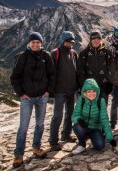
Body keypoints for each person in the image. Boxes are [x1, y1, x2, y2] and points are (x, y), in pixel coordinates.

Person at [10, 32, 56, 167]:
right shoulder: (22, 56)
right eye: (33, 42)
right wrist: (21, 94)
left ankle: (36, 147)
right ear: (29, 43)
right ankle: (18, 154)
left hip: (41, 96)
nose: (35, 45)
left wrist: (48, 91)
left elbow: (52, 74)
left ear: (41, 43)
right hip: (27, 97)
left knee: (40, 124)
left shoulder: (45, 55)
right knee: (23, 126)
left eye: (38, 42)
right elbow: (14, 77)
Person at [48, 31, 79, 151]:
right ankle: (53, 140)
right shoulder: (55, 53)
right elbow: (51, 73)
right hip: (59, 90)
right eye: (67, 42)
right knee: (58, 116)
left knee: (69, 113)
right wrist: (51, 90)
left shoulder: (73, 53)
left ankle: (66, 134)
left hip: (72, 90)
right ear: (62, 41)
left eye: (71, 42)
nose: (69, 44)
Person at [71, 78, 117, 155]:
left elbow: (104, 120)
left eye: (94, 91)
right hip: (83, 126)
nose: (92, 94)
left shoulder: (100, 101)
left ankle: (93, 139)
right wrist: (79, 120)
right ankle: (81, 145)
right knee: (77, 127)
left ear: (97, 91)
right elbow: (74, 116)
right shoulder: (81, 100)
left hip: (95, 128)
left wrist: (110, 139)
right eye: (89, 91)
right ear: (85, 92)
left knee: (100, 146)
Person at [77, 30, 113, 104]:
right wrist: (82, 85)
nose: (96, 41)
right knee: (91, 110)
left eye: (98, 39)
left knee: (103, 109)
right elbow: (80, 71)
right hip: (89, 87)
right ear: (91, 40)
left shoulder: (107, 53)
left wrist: (110, 83)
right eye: (94, 39)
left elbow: (112, 69)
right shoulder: (84, 53)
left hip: (104, 86)